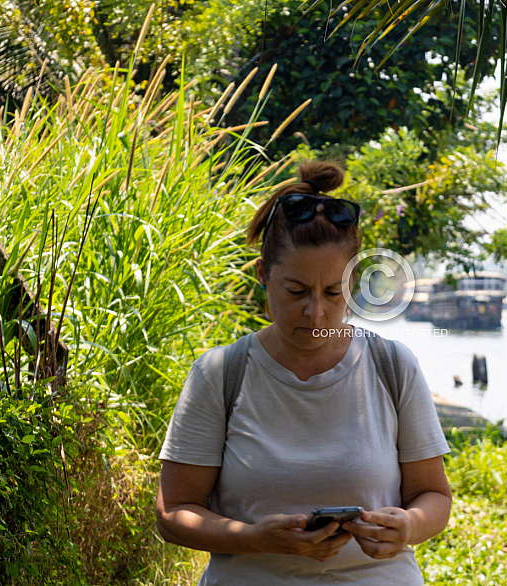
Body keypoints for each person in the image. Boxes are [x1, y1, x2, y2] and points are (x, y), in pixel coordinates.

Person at [155, 160, 452, 585]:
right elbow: (173, 513)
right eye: (296, 291)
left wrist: (410, 525)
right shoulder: (220, 373)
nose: (315, 311)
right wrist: (257, 539)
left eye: (334, 292)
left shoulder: (392, 366)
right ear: (262, 275)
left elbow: (433, 496)